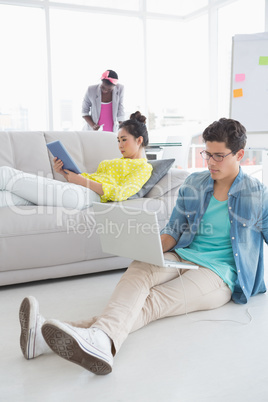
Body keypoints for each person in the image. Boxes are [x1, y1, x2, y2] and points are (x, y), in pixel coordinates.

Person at [19, 118, 268, 375]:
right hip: (183, 255)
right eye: (207, 154)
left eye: (219, 156)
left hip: (219, 273)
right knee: (139, 268)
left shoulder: (257, 194)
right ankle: (99, 341)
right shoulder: (195, 183)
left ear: (239, 154)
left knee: (152, 302)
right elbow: (174, 229)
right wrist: (151, 247)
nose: (210, 162)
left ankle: (50, 337)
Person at [0, 112, 152, 210]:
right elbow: (85, 180)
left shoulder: (143, 167)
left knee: (6, 173)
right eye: (118, 140)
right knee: (7, 198)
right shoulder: (118, 161)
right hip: (76, 188)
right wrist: (66, 174)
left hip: (85, 195)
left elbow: (120, 193)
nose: (119, 145)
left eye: (123, 140)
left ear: (139, 140)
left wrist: (79, 180)